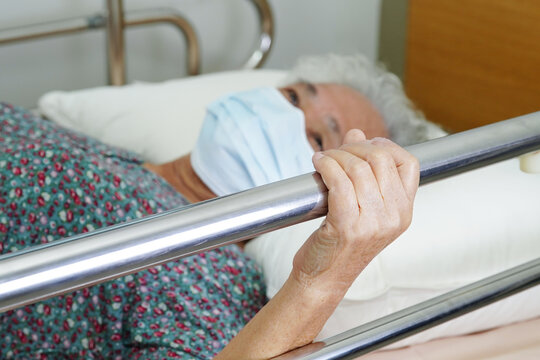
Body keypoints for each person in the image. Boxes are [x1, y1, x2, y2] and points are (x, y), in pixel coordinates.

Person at [0, 54, 422, 359]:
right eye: (293, 96)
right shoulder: (108, 151)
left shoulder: (206, 282)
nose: (286, 117)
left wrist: (322, 279)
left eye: (317, 139)